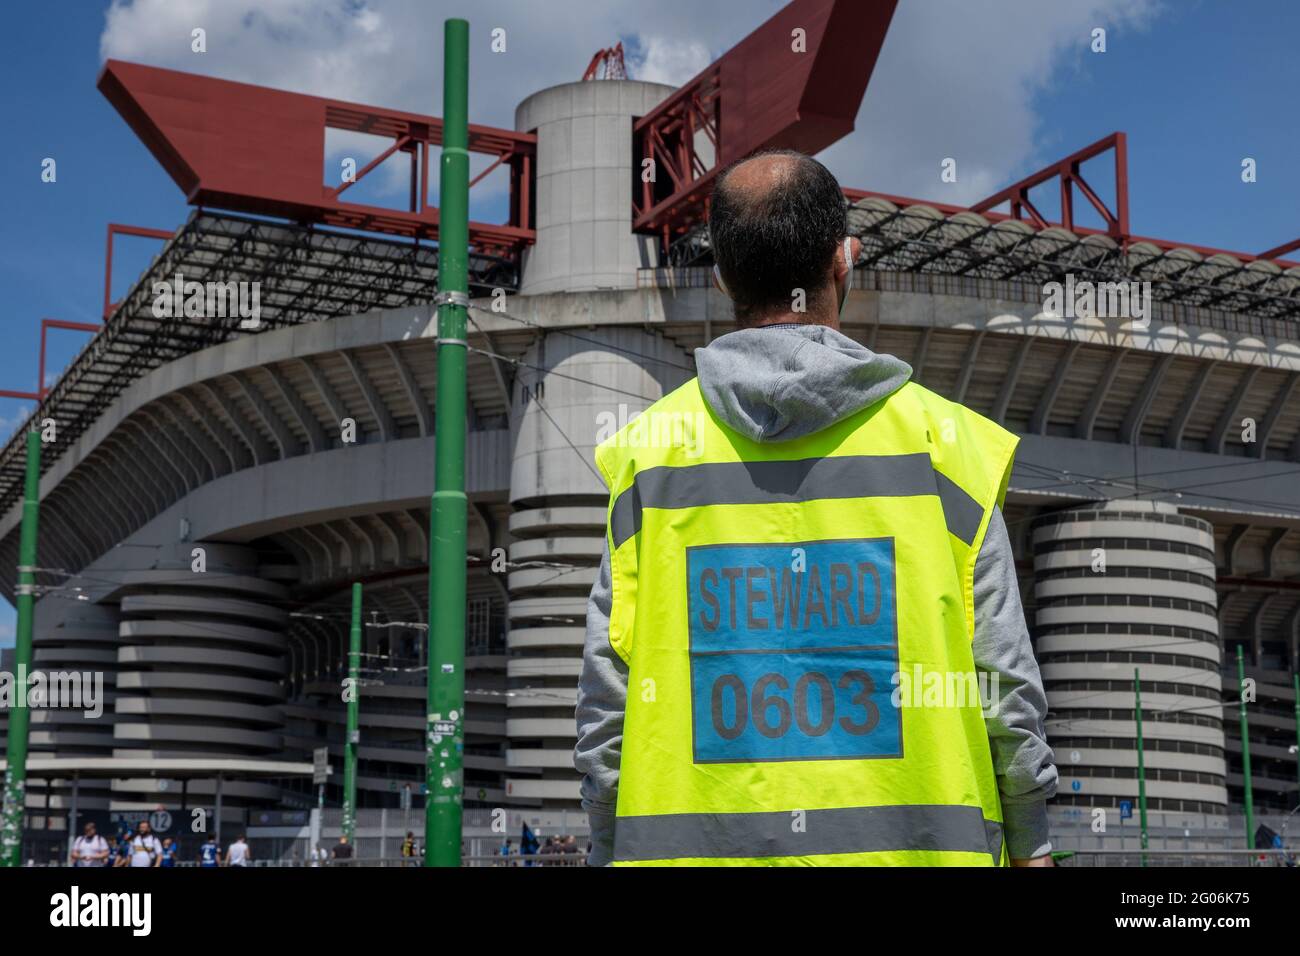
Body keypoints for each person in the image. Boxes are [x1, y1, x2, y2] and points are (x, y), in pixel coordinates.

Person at [574, 150, 1057, 868]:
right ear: (845, 260)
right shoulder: (946, 448)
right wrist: (1030, 839)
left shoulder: (653, 457)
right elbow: (1003, 679)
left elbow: (608, 701)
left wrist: (610, 841)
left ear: (721, 276)